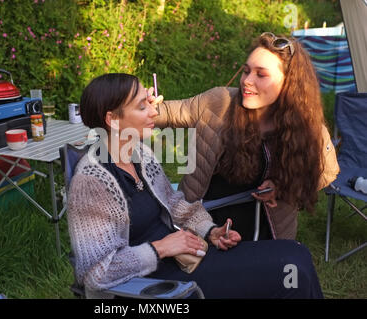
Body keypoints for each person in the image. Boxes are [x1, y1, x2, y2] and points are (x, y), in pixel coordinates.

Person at [67, 73, 324, 299]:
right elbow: (96, 273)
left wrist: (211, 231)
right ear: (112, 119)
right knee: (291, 273)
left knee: (295, 256)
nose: (155, 112)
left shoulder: (139, 156)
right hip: (152, 287)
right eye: (142, 106)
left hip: (185, 261)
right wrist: (163, 247)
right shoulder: (92, 182)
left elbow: (176, 205)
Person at [154, 32, 340, 241]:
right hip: (206, 225)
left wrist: (283, 188)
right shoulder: (219, 102)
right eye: (246, 71)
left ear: (289, 84)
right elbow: (168, 113)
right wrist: (143, 104)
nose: (247, 81)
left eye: (261, 75)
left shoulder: (307, 127)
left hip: (268, 233)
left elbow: (327, 171)